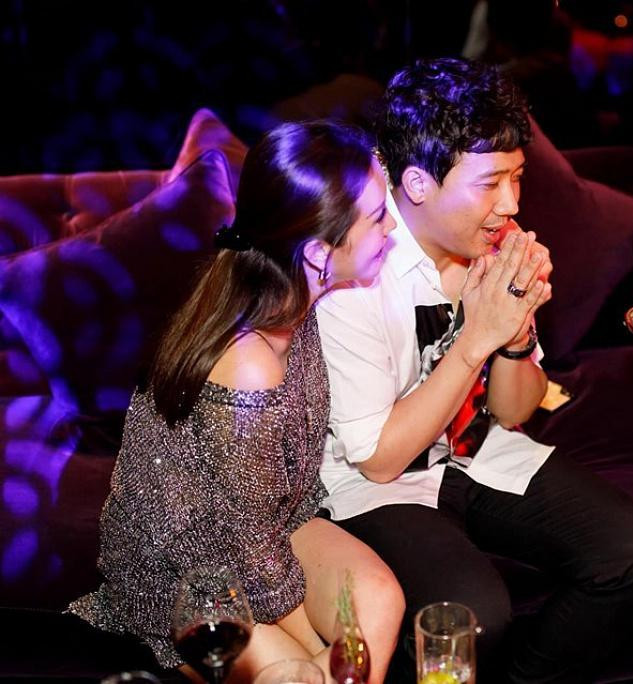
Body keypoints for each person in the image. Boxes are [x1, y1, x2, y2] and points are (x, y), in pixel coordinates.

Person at [316, 57, 633, 683]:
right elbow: (378, 460)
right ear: (418, 183)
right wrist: (475, 338)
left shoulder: (494, 245)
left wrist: (514, 333)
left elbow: (513, 410)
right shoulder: (356, 266)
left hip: (472, 452)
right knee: (471, 617)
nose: (510, 204)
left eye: (517, 178)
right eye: (490, 183)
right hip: (374, 483)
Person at [68, 121, 405, 683]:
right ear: (318, 251)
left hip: (272, 526)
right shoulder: (250, 364)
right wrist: (315, 652)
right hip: (185, 572)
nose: (392, 225)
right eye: (376, 217)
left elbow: (261, 519)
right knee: (305, 674)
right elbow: (245, 548)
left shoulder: (290, 292)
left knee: (380, 603)